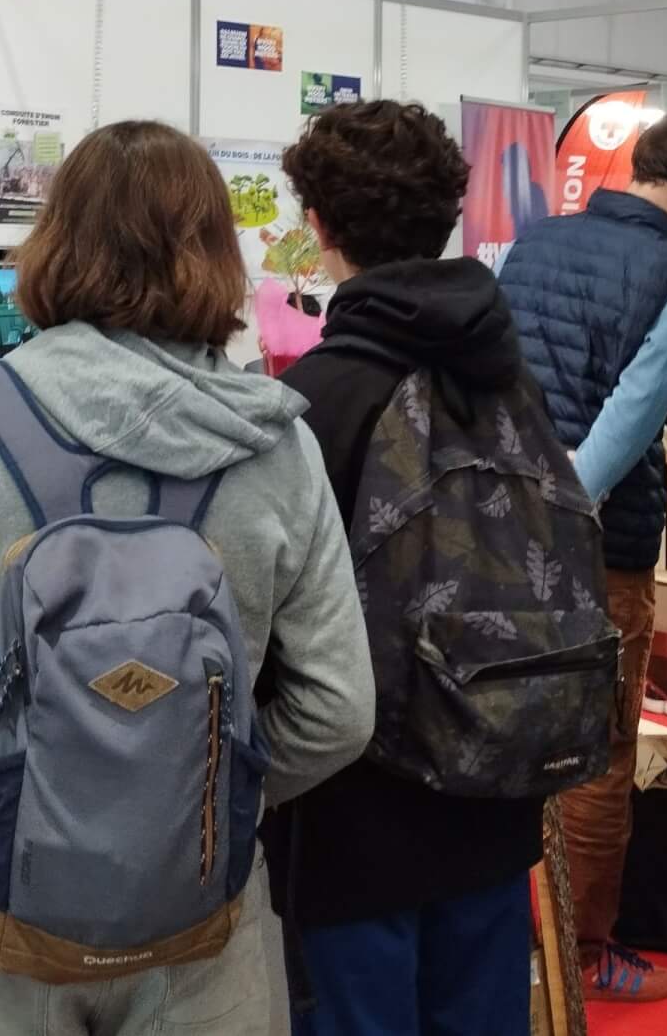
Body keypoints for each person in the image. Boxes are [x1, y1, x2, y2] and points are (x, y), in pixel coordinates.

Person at [0, 121, 374, 1036]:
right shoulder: (279, 446)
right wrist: (196, 787)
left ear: (53, 240)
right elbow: (338, 709)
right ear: (216, 254)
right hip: (207, 906)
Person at [264, 100, 544, 1035]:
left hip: (353, 820)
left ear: (319, 228)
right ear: (446, 220)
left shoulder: (312, 401)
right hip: (499, 793)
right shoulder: (510, 379)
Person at [498, 109, 667, 1004]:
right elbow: (628, 424)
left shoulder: (531, 244)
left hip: (501, 525)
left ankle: (512, 935)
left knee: (502, 725)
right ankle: (584, 948)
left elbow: (502, 385)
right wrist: (567, 507)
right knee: (598, 749)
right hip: (597, 543)